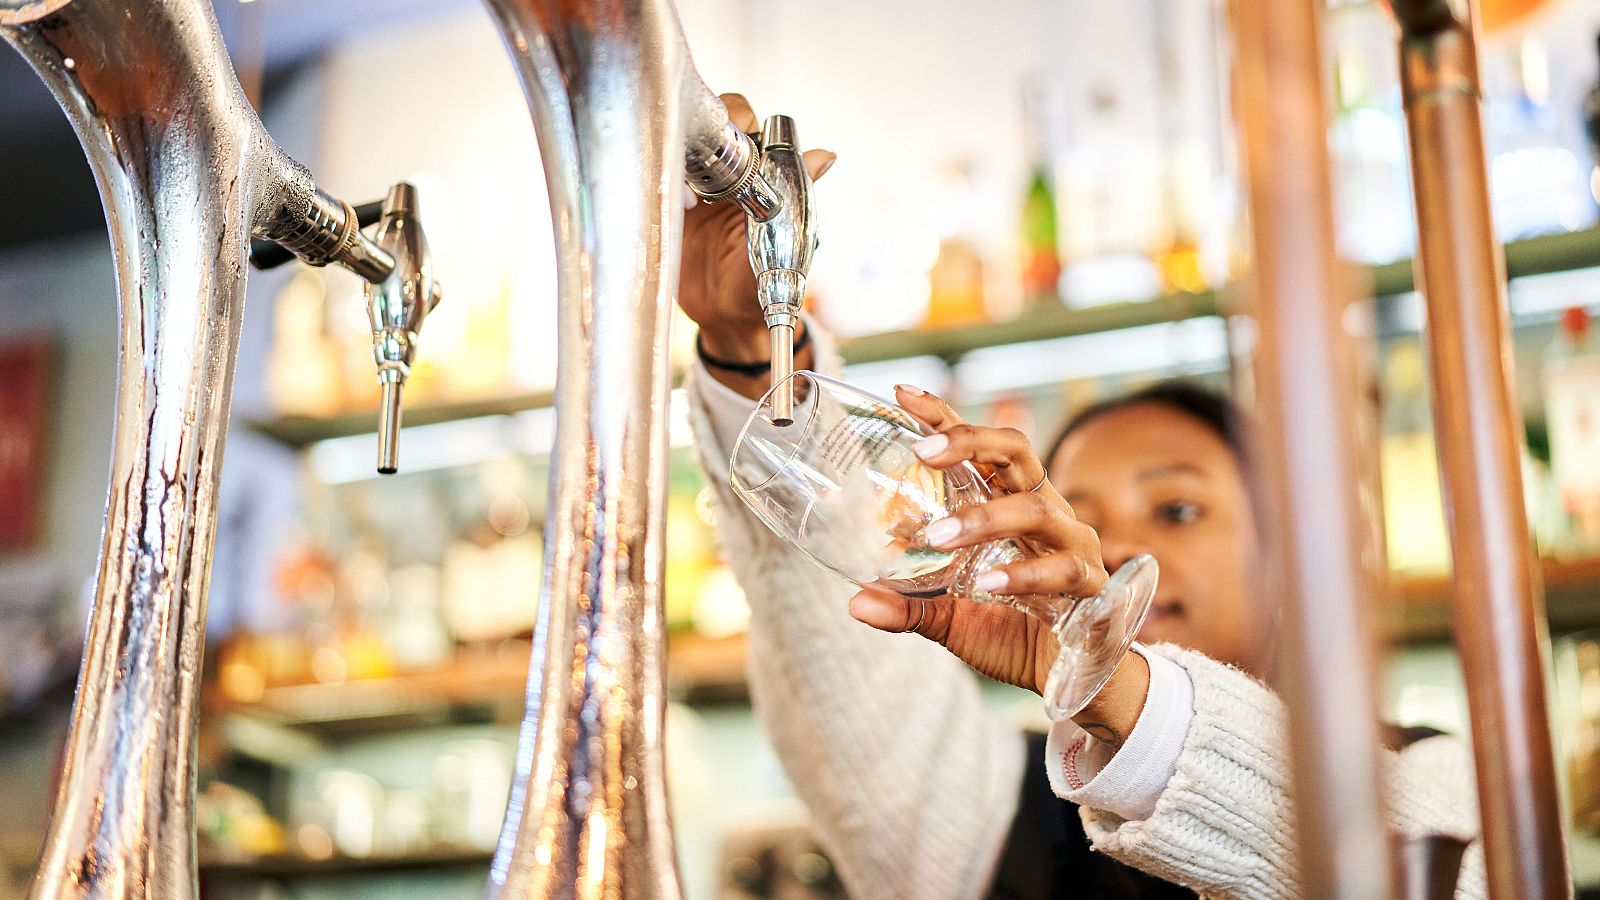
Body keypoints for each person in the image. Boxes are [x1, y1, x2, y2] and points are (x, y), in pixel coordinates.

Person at [681, 94, 1485, 899]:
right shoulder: (1004, 816)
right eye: (1080, 517)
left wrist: (1123, 686)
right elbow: (836, 653)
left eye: (1177, 509)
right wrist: (750, 347)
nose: (1115, 548)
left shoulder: (1439, 783)